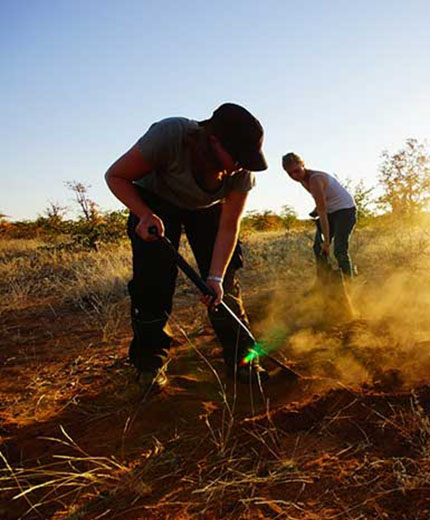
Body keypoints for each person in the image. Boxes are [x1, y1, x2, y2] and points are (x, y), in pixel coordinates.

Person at [105, 103, 269, 390]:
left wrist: (215, 278)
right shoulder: (170, 135)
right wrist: (143, 214)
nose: (242, 165)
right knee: (153, 284)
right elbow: (116, 175)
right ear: (213, 141)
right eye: (238, 157)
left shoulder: (241, 174)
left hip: (207, 211)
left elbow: (229, 226)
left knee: (224, 285)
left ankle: (244, 359)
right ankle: (150, 364)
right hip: (154, 203)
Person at [282, 152, 356, 283]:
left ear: (303, 164)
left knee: (339, 249)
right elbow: (323, 201)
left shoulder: (315, 179)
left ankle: (349, 284)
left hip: (345, 211)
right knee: (318, 248)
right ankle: (323, 285)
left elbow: (323, 211)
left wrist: (327, 242)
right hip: (332, 211)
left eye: (297, 170)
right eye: (290, 174)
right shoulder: (303, 180)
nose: (295, 176)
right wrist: (316, 210)